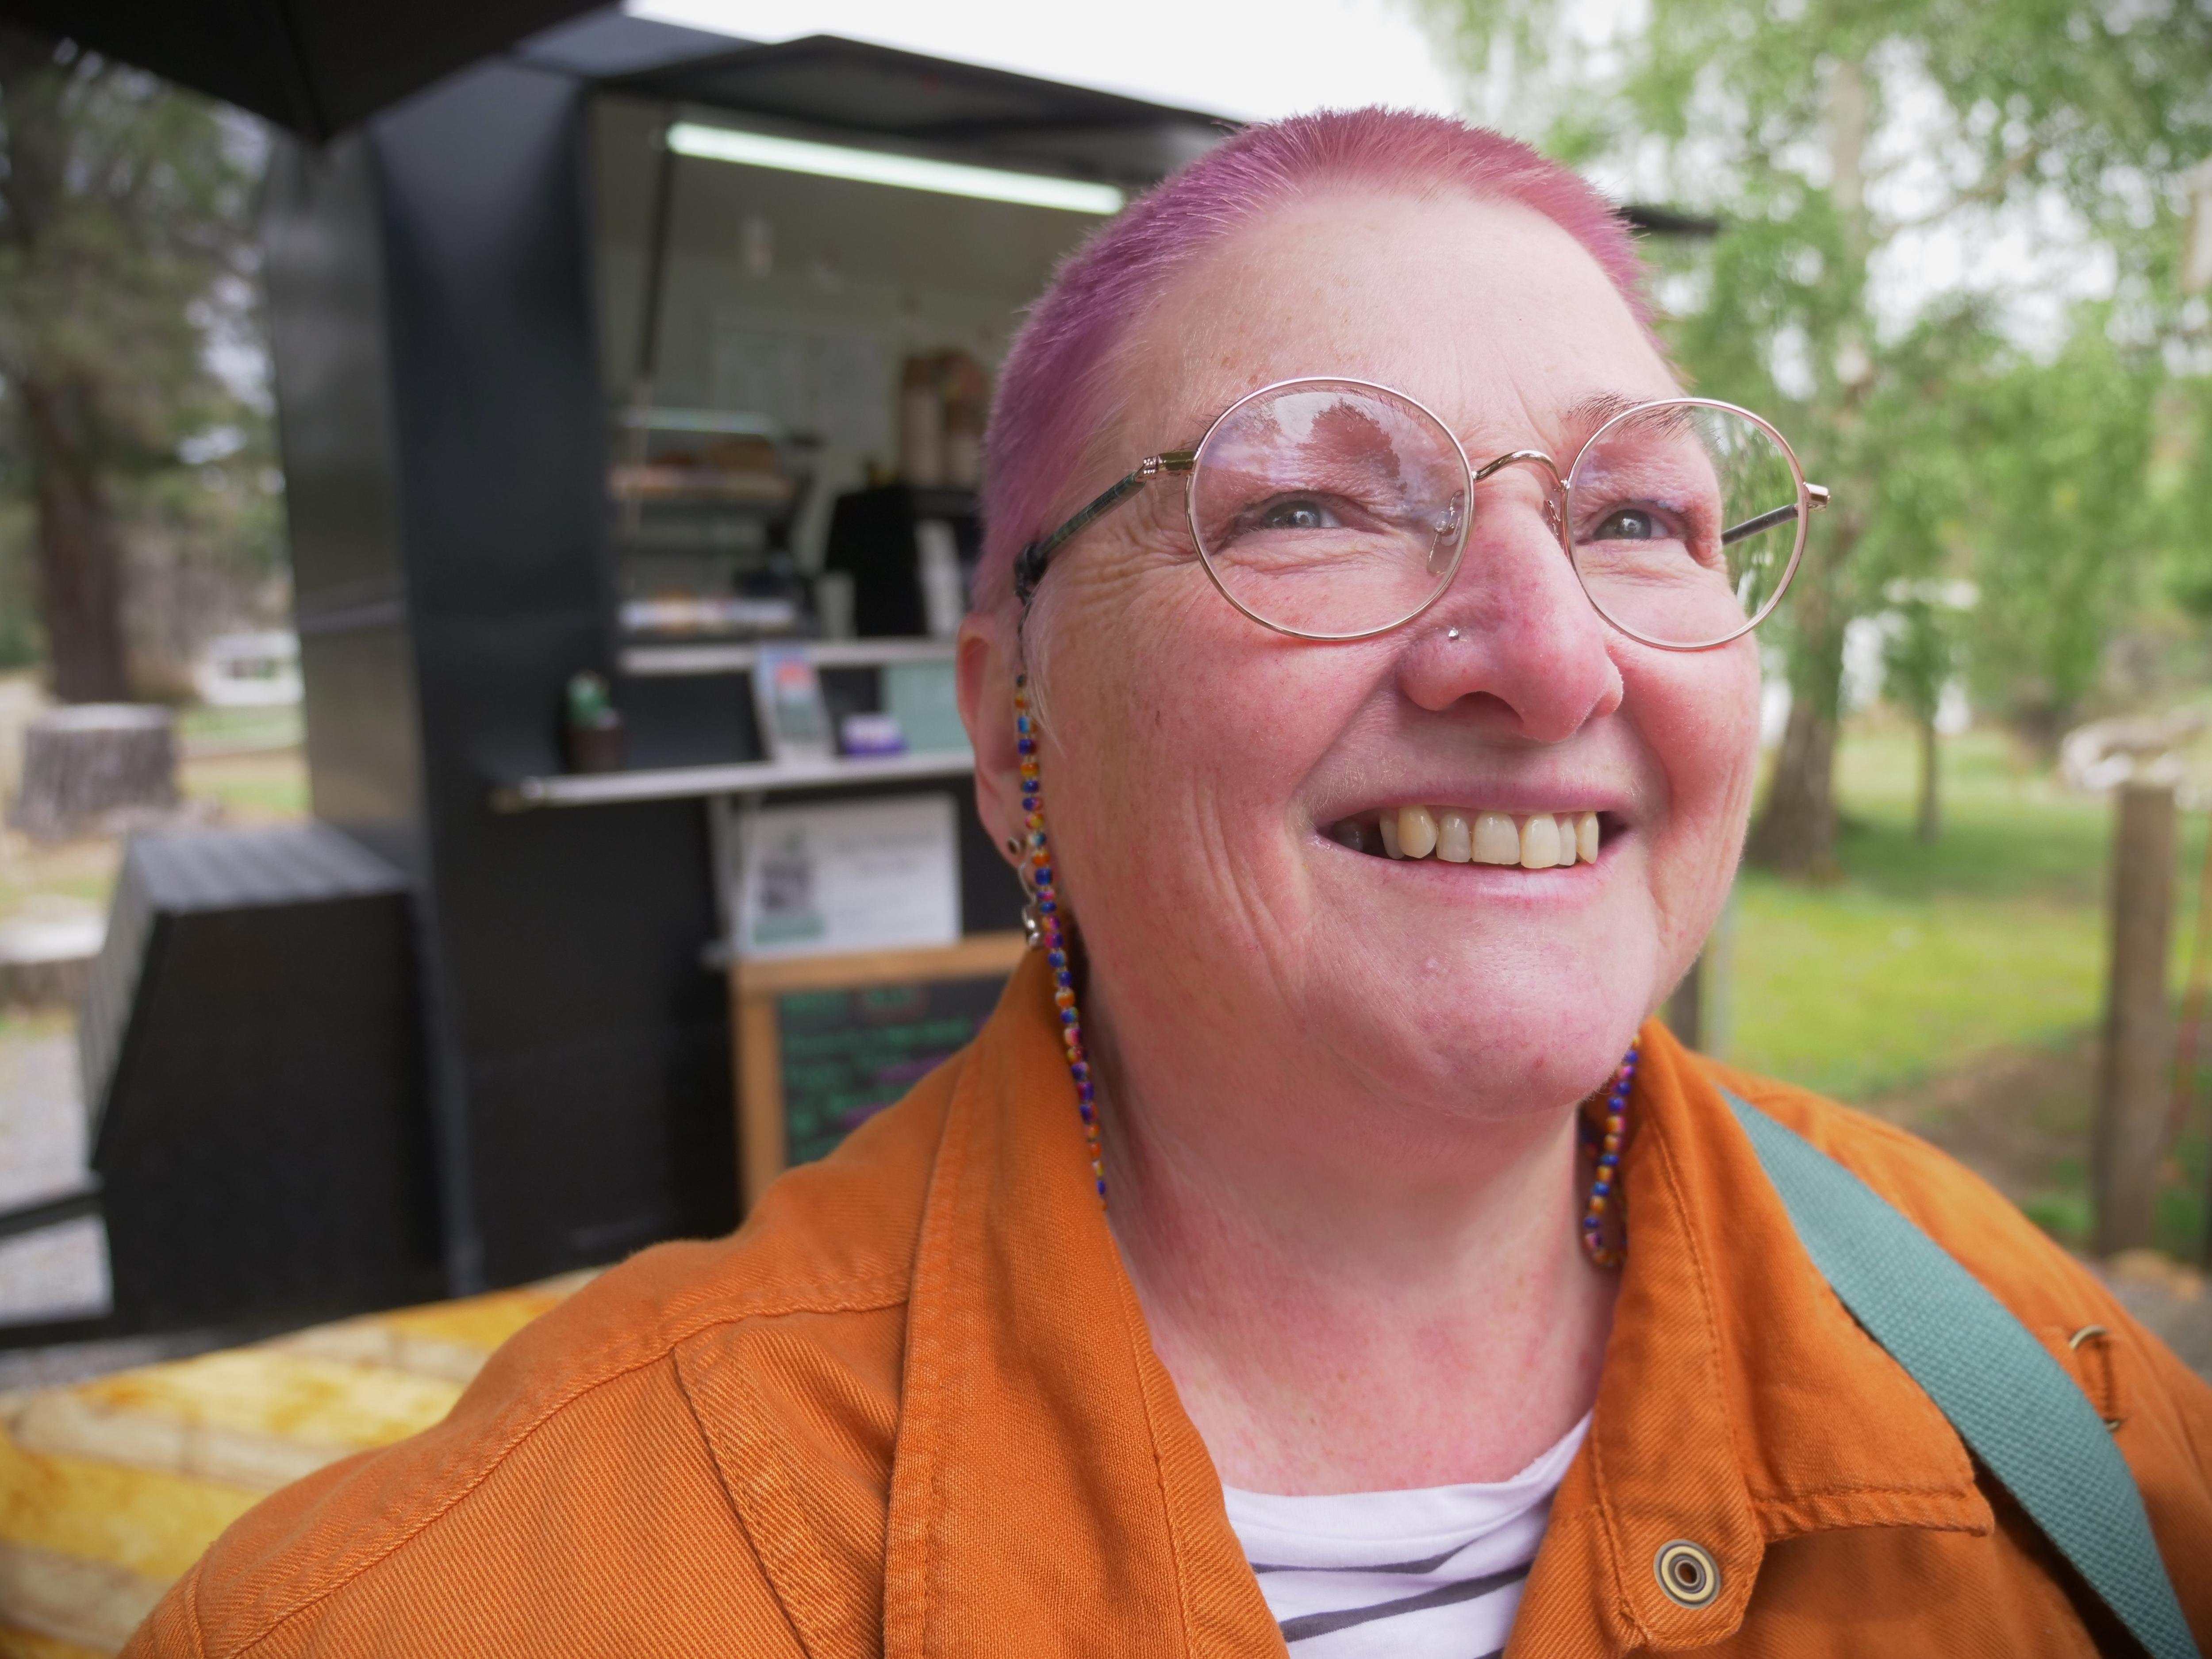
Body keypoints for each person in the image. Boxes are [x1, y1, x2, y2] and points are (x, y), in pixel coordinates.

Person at [128, 109, 2210, 1659]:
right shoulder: (456, 1600)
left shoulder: (2045, 1397)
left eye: (1641, 514)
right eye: (1307, 500)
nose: (1546, 648)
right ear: (1009, 712)